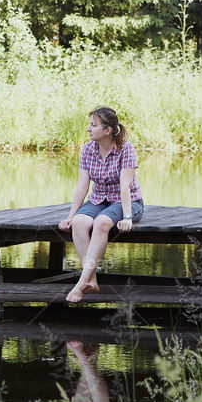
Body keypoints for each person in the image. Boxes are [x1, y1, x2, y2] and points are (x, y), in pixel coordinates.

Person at [58, 105, 144, 304]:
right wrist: (71, 216)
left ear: (108, 130)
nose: (88, 129)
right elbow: (82, 186)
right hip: (98, 199)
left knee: (102, 222)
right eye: (89, 125)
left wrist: (128, 217)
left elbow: (125, 186)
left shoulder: (126, 148)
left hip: (126, 202)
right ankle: (93, 281)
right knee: (80, 223)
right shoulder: (88, 149)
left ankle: (81, 283)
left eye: (93, 125)